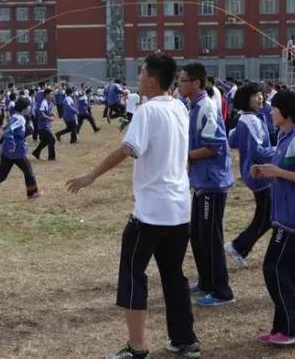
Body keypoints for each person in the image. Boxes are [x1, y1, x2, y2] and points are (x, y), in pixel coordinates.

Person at [66, 53, 200, 359]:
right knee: (173, 275)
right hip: (179, 211)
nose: (138, 77)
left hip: (151, 213)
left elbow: (127, 149)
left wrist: (90, 176)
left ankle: (137, 348)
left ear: (152, 79)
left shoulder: (148, 111)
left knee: (131, 274)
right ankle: (184, 340)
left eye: (141, 73)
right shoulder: (180, 107)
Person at [251, 89, 295, 346]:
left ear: (286, 112)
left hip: (293, 216)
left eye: (274, 108)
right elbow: (282, 168)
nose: (270, 112)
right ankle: (281, 327)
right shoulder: (285, 135)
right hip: (283, 213)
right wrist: (265, 170)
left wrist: (278, 172)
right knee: (286, 271)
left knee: (273, 267)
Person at [179, 62, 235, 307]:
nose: (179, 84)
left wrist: (185, 156)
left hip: (212, 182)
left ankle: (222, 291)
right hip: (201, 182)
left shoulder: (206, 108)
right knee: (198, 236)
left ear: (196, 83)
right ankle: (206, 281)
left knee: (210, 237)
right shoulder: (195, 106)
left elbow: (214, 147)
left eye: (183, 80)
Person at [224, 83, 275, 268]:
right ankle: (237, 246)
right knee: (267, 217)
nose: (260, 97)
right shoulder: (251, 120)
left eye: (260, 94)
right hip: (259, 173)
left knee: (265, 216)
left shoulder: (245, 118)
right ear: (246, 99)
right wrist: (280, 151)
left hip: (254, 173)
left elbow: (233, 140)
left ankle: (240, 247)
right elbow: (259, 152)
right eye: (255, 95)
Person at [0, 97, 39, 202]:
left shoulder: (16, 116)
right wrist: (12, 145)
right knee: (28, 171)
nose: (30, 108)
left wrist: (27, 131)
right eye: (29, 106)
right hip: (16, 151)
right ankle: (32, 194)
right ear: (24, 108)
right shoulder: (19, 118)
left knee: (1, 174)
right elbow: (8, 131)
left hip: (7, 152)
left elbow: (11, 130)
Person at [32, 88, 56, 161]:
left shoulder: (48, 102)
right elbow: (41, 114)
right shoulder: (44, 102)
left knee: (45, 141)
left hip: (46, 125)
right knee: (52, 139)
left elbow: (47, 112)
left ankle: (36, 152)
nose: (52, 95)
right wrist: (49, 118)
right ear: (47, 95)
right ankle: (51, 158)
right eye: (51, 94)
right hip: (43, 126)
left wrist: (51, 114)